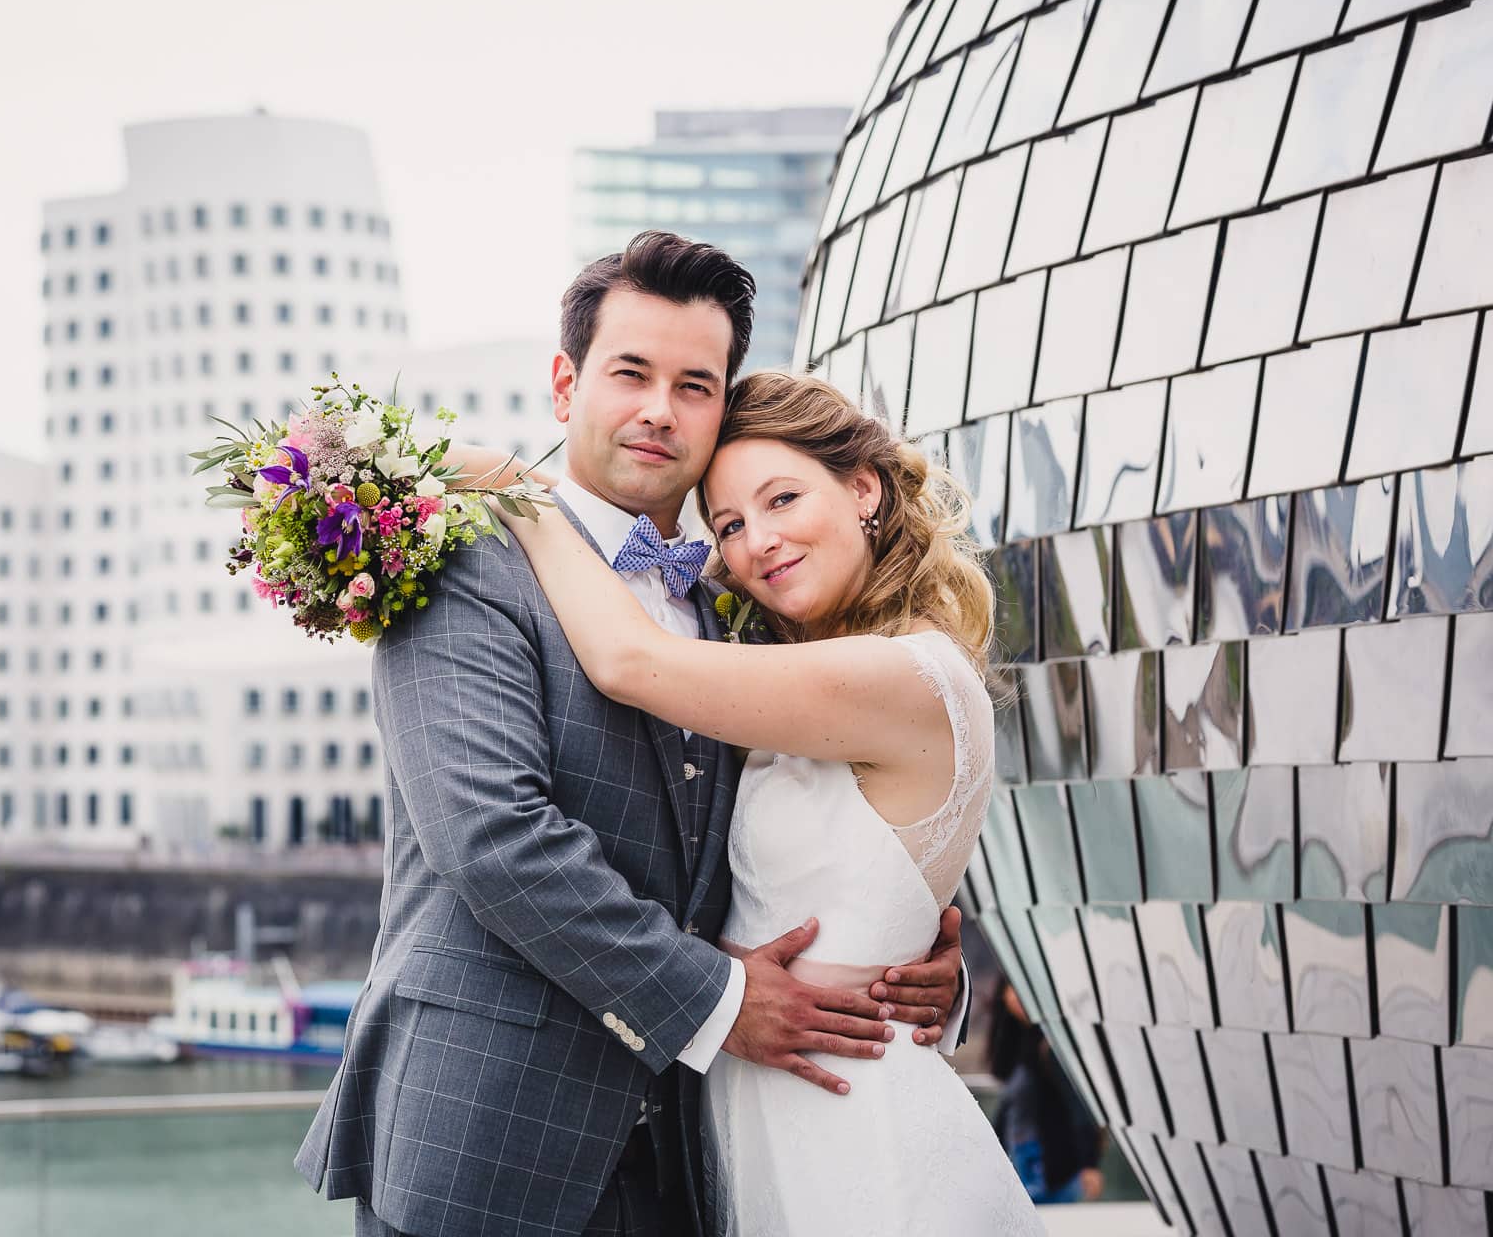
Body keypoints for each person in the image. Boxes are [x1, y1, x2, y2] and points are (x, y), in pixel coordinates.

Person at [296, 232, 968, 1237]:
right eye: (631, 373)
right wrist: (720, 999)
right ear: (566, 385)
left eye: (696, 384)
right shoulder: (463, 561)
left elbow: (852, 823)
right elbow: (491, 836)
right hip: (490, 1141)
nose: (661, 408)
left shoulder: (743, 597)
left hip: (698, 1157)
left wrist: (915, 957)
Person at [453, 364, 1043, 1233]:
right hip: (755, 1118)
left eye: (782, 500)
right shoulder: (803, 672)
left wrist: (522, 490)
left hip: (847, 1124)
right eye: (729, 524)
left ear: (865, 490)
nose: (756, 541)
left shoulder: (904, 672)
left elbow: (629, 664)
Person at [988, 976, 1107, 1205]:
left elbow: (1079, 1104)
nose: (1017, 997)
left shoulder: (1052, 1044)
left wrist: (1089, 1163)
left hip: (1049, 1164)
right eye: (1011, 990)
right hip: (1018, 1158)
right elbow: (1006, 1096)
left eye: (1022, 990)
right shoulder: (1015, 1042)